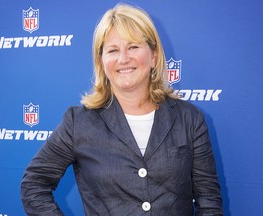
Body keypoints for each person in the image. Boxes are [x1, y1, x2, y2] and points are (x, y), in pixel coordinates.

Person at [21, 3, 223, 215]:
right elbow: (33, 184)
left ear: (154, 56)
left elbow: (209, 201)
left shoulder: (189, 119)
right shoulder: (78, 122)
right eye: (113, 50)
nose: (123, 58)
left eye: (133, 47)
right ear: (101, 61)